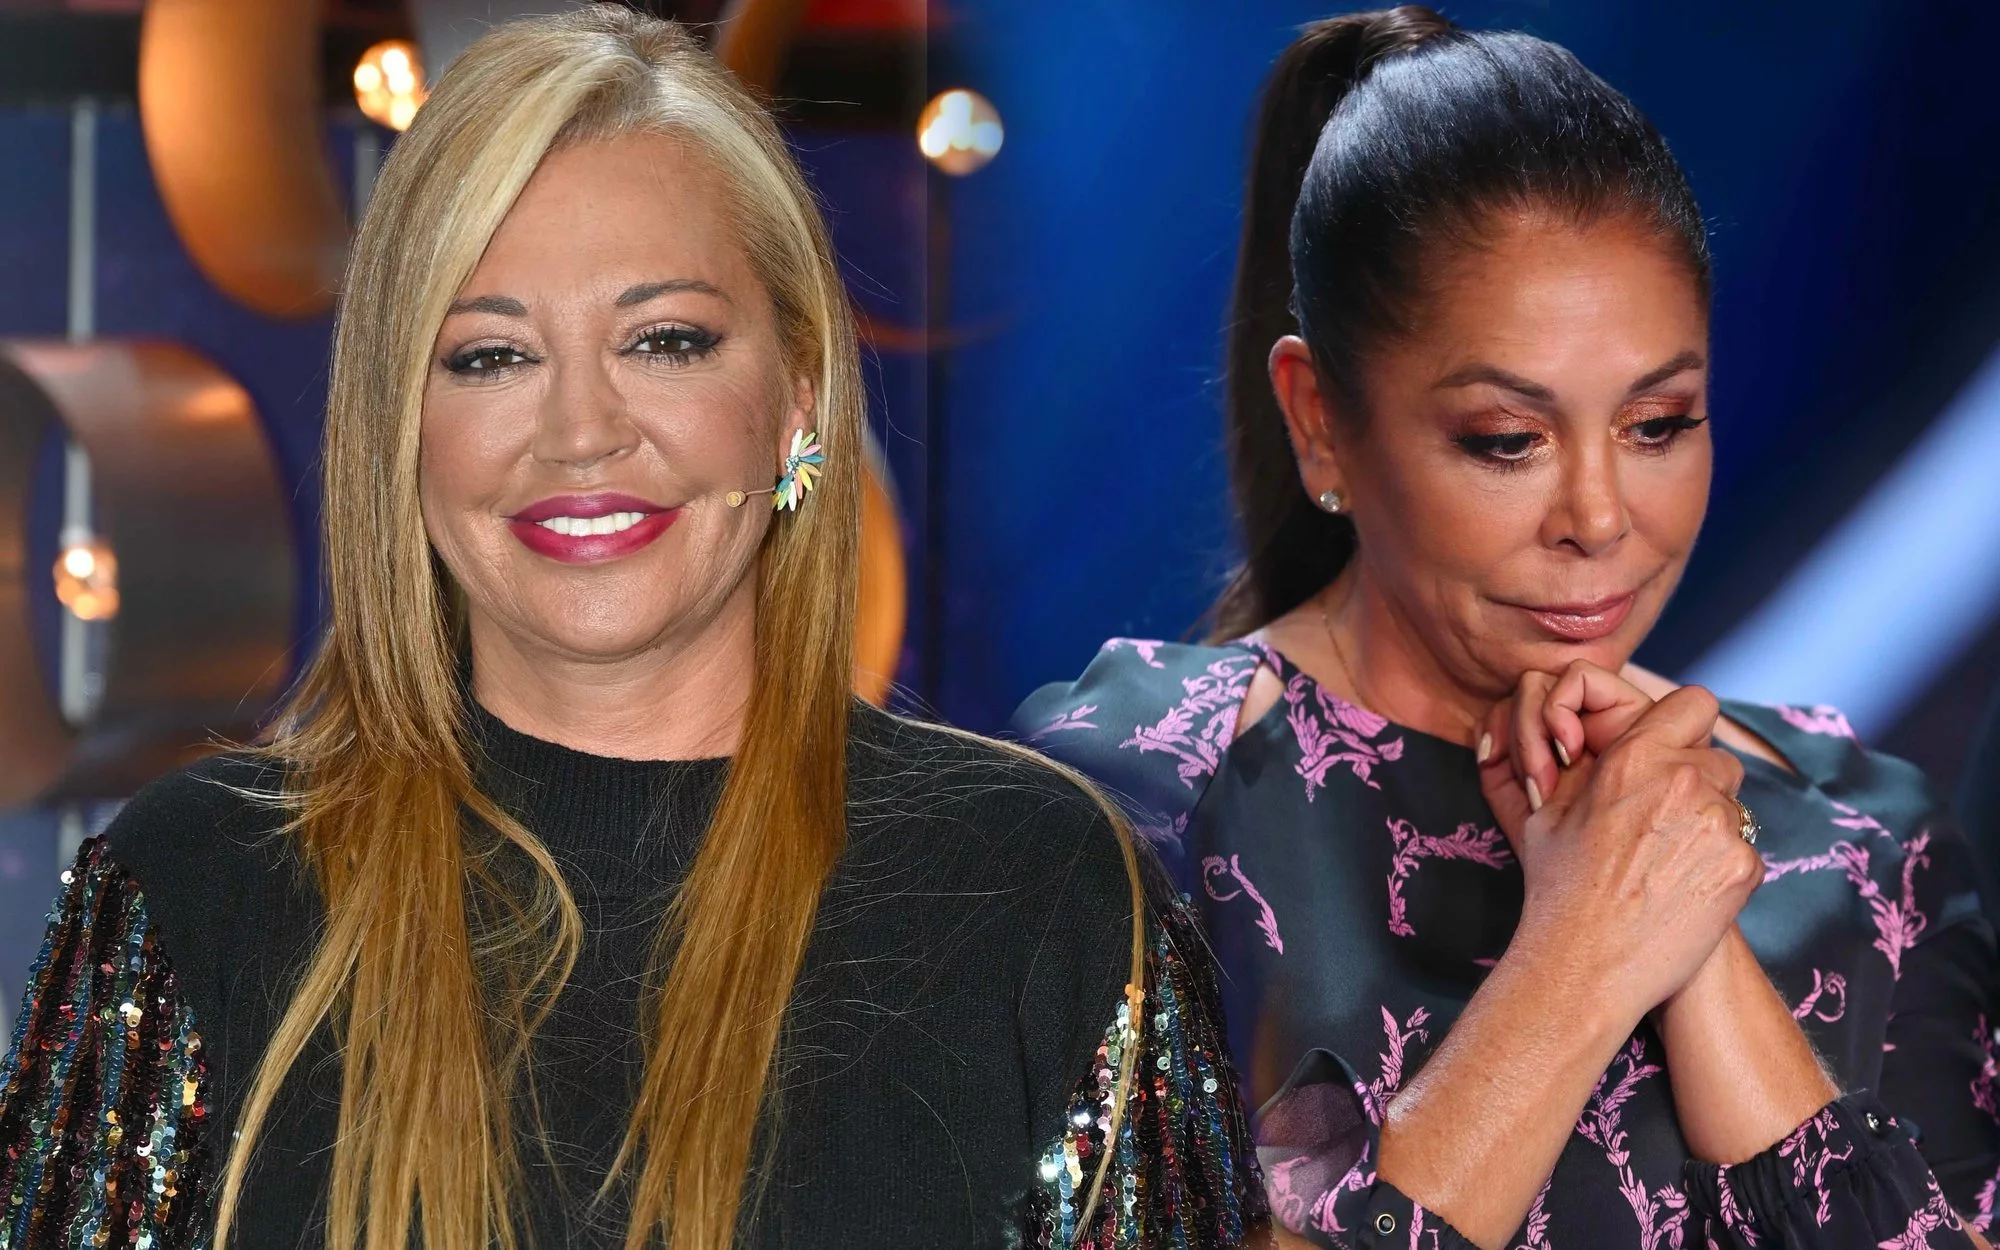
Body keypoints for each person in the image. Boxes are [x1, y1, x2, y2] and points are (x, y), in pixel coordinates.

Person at [0, 11, 1269, 1249]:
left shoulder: (1042, 891)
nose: (581, 433)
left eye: (664, 341)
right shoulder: (194, 886)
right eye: (490, 355)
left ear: (797, 401)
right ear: (397, 422)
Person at [1015, 8, 2000, 1247]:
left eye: (1656, 424)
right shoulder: (1136, 800)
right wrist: (1584, 951)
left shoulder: (1860, 836)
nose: (1598, 516)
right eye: (1506, 440)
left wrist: (1692, 935)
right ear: (1318, 421)